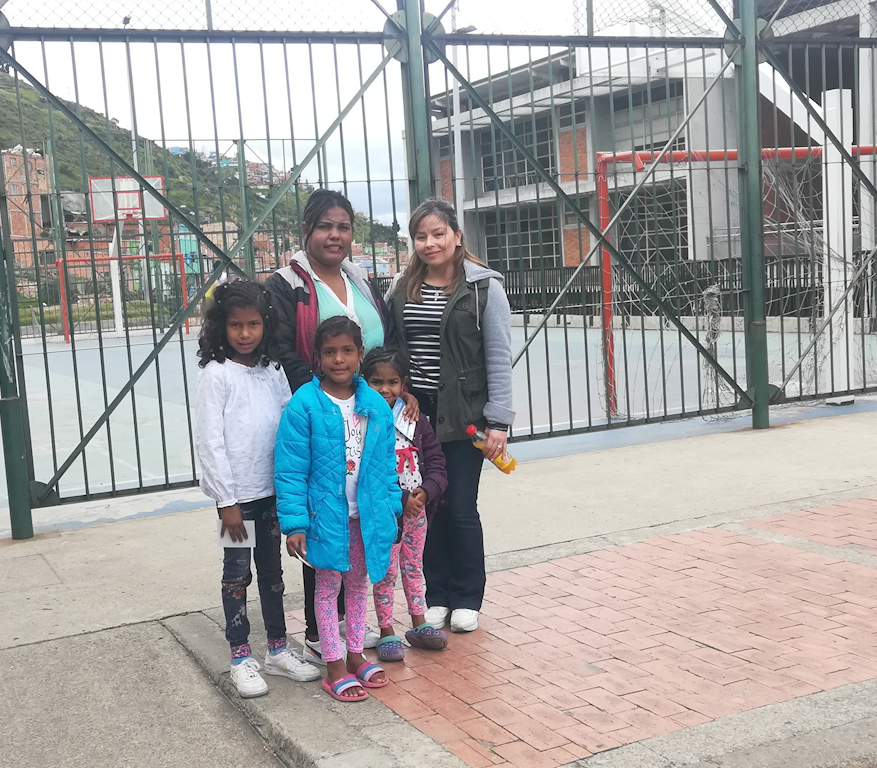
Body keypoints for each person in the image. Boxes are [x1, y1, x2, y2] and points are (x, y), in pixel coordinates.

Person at [266, 189, 418, 663]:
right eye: (325, 226)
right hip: (320, 417)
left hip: (369, 414)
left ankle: (351, 633)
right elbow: (286, 353)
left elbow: (386, 345)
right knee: (325, 518)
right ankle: (319, 633)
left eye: (343, 226)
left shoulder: (361, 280)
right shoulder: (286, 284)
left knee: (358, 520)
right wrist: (325, 404)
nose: (335, 235)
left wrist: (395, 391)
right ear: (307, 231)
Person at [386, 199, 514, 634]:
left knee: (460, 505)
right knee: (425, 505)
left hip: (464, 416)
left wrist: (499, 421)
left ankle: (466, 595)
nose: (429, 243)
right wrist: (399, 392)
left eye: (438, 234)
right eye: (420, 236)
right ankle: (435, 593)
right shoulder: (402, 288)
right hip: (416, 414)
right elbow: (394, 352)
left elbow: (498, 356)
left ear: (457, 236)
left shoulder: (483, 288)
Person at [195, 279, 321, 699]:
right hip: (235, 502)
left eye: (253, 324)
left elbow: (288, 426)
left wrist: (295, 486)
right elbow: (210, 442)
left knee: (273, 574)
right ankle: (240, 655)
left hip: (273, 495)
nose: (245, 334)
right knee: (237, 574)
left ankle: (278, 650)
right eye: (235, 326)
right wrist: (225, 501)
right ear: (221, 328)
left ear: (266, 324)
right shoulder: (216, 376)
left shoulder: (273, 371)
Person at [275, 316, 402, 702]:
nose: (339, 359)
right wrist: (295, 523)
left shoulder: (376, 405)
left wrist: (391, 510)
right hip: (324, 519)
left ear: (360, 354)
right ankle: (333, 665)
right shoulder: (304, 405)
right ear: (317, 357)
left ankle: (355, 654)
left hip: (364, 517)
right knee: (327, 590)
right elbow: (291, 469)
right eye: (329, 352)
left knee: (358, 585)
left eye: (347, 350)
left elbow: (386, 465)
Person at [363, 347, 449, 663]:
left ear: (404, 384)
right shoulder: (363, 421)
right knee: (385, 573)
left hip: (417, 514)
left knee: (414, 569)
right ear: (364, 382)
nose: (385, 389)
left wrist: (426, 492)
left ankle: (419, 622)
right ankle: (386, 630)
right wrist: (402, 499)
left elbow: (437, 462)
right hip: (386, 514)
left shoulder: (416, 421)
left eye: (392, 382)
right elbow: (366, 470)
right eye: (376, 382)